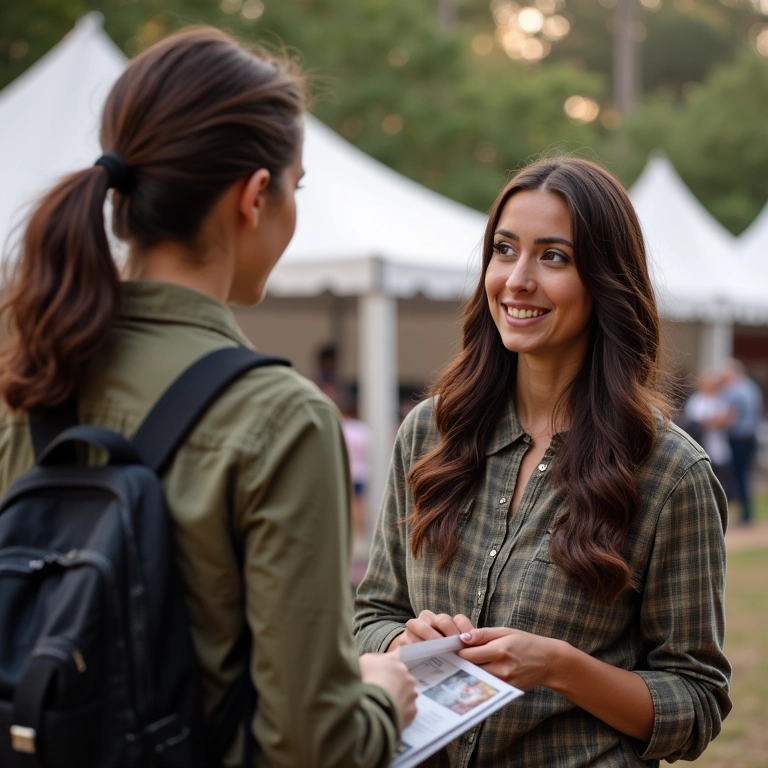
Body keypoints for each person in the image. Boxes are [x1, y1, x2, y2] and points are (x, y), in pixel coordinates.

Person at [0, 27, 416, 767]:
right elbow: (310, 744)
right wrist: (381, 694)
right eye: (298, 189)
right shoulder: (281, 416)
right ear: (255, 197)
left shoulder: (23, 372)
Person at [354, 156, 731, 767]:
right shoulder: (431, 432)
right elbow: (370, 613)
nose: (518, 279)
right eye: (505, 250)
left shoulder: (668, 473)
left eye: (552, 256)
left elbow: (698, 702)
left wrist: (558, 666)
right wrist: (404, 639)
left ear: (604, 280)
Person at [716, 358, 763, 525]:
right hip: (750, 436)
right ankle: (747, 512)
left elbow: (729, 417)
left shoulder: (735, 391)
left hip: (738, 438)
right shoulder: (751, 387)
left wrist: (708, 423)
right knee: (744, 475)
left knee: (738, 476)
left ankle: (745, 514)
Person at [682, 369, 732, 492]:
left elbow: (727, 420)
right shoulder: (696, 400)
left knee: (720, 476)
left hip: (717, 444)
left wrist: (715, 422)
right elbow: (697, 422)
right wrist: (715, 421)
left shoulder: (720, 400)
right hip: (700, 444)